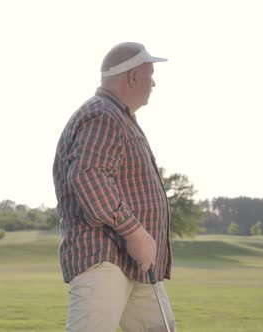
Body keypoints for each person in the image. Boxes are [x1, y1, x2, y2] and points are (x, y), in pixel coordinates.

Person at [52, 42, 175, 331]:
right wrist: (135, 232)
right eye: (150, 74)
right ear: (132, 77)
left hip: (134, 263)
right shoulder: (103, 115)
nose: (153, 82)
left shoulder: (118, 116)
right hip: (103, 258)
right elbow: (88, 175)